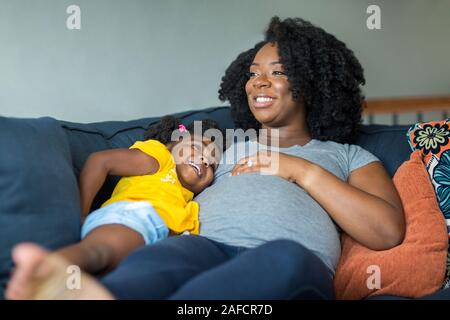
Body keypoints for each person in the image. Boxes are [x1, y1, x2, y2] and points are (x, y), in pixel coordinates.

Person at [6, 16, 405, 300]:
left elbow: (386, 231)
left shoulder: (349, 156)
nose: (259, 82)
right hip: (204, 243)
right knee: (162, 260)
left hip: (291, 258)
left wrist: (299, 171)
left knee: (282, 259)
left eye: (278, 72)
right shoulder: (226, 143)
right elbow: (166, 168)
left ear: (313, 84)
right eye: (252, 73)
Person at [6, 116, 222, 299]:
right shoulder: (161, 159)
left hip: (153, 238)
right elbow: (100, 161)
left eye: (211, 164)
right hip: (133, 215)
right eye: (195, 147)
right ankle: (45, 271)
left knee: (110, 271)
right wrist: (81, 212)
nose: (204, 159)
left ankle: (71, 287)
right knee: (98, 252)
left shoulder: (189, 202)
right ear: (172, 145)